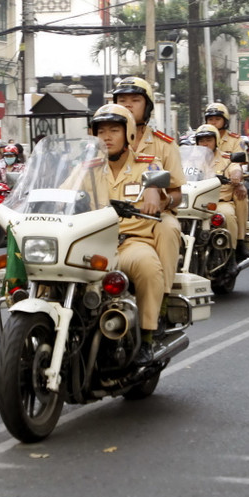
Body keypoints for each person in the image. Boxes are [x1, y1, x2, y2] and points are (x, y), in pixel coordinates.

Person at [91, 104, 169, 366]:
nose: (107, 137)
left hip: (130, 242)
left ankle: (147, 336)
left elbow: (154, 187)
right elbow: (64, 193)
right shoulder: (86, 168)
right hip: (91, 245)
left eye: (114, 130)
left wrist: (151, 196)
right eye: (101, 131)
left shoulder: (147, 164)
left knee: (148, 266)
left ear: (129, 134)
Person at [113, 76, 184, 309]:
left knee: (168, 227)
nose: (128, 105)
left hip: (150, 217)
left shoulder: (164, 144)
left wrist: (161, 205)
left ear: (148, 107)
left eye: (135, 100)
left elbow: (176, 193)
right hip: (106, 217)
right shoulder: (101, 141)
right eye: (122, 100)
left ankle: (162, 298)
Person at [204, 102, 249, 260]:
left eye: (217, 119)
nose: (213, 122)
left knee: (241, 194)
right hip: (202, 188)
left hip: (229, 185)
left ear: (225, 121)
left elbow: (240, 164)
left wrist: (238, 178)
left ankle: (239, 240)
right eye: (210, 119)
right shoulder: (199, 137)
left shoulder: (234, 140)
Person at [194, 123, 243, 256]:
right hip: (194, 203)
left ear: (216, 141)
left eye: (209, 140)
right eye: (201, 140)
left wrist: (236, 175)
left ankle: (231, 253)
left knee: (227, 215)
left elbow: (236, 168)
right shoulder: (191, 160)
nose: (205, 144)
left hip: (218, 202)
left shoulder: (226, 158)